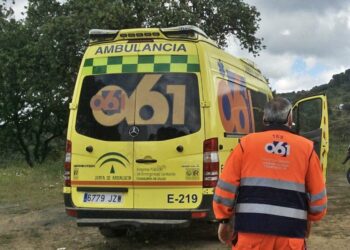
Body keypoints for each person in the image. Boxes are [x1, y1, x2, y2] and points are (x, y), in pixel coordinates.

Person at [213, 97, 327, 250]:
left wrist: (224, 219)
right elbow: (318, 195)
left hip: (250, 233)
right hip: (291, 234)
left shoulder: (246, 144)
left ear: (264, 118)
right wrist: (311, 218)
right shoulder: (306, 148)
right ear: (290, 118)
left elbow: (226, 186)